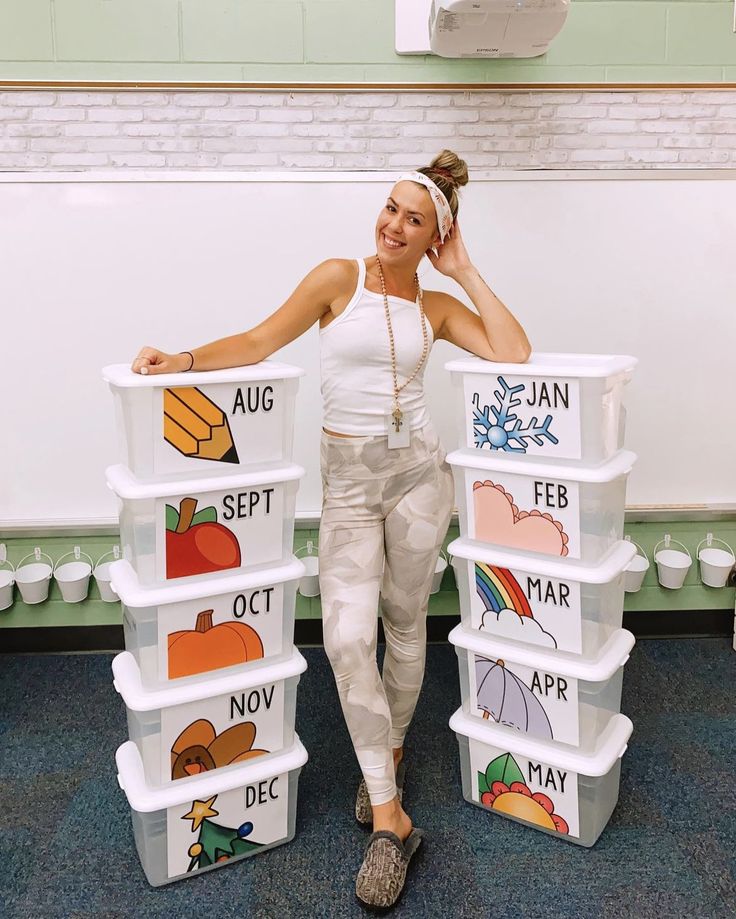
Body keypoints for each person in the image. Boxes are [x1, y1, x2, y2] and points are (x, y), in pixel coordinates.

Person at [131, 149, 532, 909]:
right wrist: (178, 359)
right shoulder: (336, 279)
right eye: (390, 208)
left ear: (433, 234)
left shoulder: (434, 307)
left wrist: (466, 270)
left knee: (405, 623)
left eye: (415, 219)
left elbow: (513, 351)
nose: (394, 225)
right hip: (350, 483)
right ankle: (393, 809)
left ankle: (386, 786)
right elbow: (257, 341)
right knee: (347, 637)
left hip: (418, 475)